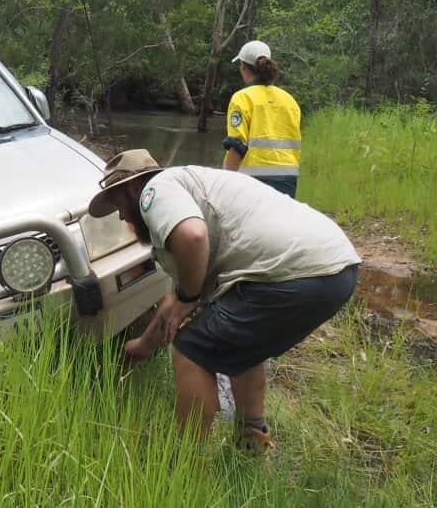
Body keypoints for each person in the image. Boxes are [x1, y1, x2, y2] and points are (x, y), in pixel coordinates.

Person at [88, 149, 360, 450]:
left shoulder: (156, 189)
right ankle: (252, 440)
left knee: (192, 347)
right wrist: (143, 345)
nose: (122, 215)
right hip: (337, 269)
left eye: (118, 203)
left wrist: (187, 297)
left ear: (134, 188)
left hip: (295, 273)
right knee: (237, 344)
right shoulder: (196, 186)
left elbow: (193, 237)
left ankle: (185, 459)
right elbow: (175, 304)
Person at [222, 40, 302, 198]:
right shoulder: (289, 100)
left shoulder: (242, 98)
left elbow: (237, 146)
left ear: (243, 66)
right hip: (287, 179)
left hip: (252, 181)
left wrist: (223, 184)